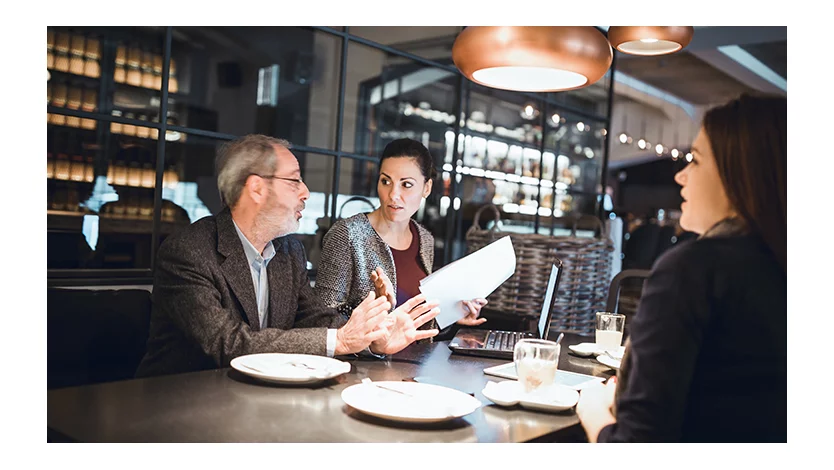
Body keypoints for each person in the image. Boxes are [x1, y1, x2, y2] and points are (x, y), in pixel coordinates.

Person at [135, 135, 439, 378]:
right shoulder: (188, 252)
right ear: (256, 188)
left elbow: (314, 317)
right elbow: (229, 345)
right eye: (294, 181)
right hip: (180, 406)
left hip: (259, 401)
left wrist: (373, 335)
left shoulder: (288, 250)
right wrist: (342, 340)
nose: (306, 192)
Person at [576, 93, 786, 442]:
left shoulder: (693, 269)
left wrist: (594, 410)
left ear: (740, 175)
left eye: (696, 161)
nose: (681, 177)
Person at [315, 138, 488, 335]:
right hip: (363, 364)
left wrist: (452, 314)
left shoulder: (424, 239)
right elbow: (323, 320)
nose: (393, 194)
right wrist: (378, 315)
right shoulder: (347, 234)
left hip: (417, 362)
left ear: (427, 188)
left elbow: (414, 321)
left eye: (406, 184)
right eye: (386, 181)